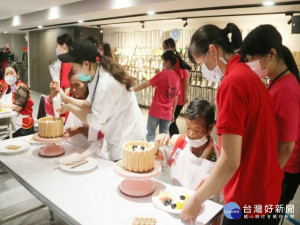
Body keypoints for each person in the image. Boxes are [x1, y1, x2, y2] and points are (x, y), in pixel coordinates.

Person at [180, 23, 283, 225]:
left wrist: (197, 199)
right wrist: (209, 184)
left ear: (213, 51)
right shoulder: (250, 77)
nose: (204, 71)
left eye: (203, 64)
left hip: (246, 199)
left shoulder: (232, 83)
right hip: (265, 192)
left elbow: (230, 160)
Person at [239, 24, 300, 220]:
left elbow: (286, 146)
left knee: (265, 218)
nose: (249, 65)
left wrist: (267, 179)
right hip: (274, 167)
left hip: (283, 171)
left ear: (270, 55)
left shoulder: (287, 90)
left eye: (251, 60)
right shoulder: (277, 80)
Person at [57, 39, 145, 161]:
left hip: (127, 142)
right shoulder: (97, 74)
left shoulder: (106, 84)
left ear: (86, 64)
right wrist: (65, 99)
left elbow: (95, 123)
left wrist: (69, 107)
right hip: (120, 136)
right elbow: (88, 103)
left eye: (75, 69)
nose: (75, 72)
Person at [155, 98, 219, 190]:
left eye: (197, 130)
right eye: (188, 127)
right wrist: (156, 146)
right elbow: (158, 161)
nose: (191, 134)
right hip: (176, 198)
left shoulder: (216, 156)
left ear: (210, 129)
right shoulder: (178, 141)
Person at [134, 50, 180, 142]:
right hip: (167, 113)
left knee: (150, 136)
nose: (163, 63)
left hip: (156, 110)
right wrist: (173, 113)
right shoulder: (177, 78)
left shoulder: (162, 74)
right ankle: (161, 155)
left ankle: (151, 155)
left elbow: (146, 84)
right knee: (163, 139)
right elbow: (176, 97)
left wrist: (133, 90)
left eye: (163, 61)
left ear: (168, 62)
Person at [162, 38, 191, 136]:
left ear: (173, 48)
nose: (164, 49)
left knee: (171, 121)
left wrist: (185, 95)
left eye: (166, 48)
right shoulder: (169, 61)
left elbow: (186, 77)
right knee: (170, 121)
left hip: (178, 98)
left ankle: (176, 142)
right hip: (172, 96)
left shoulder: (176, 61)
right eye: (163, 48)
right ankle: (175, 142)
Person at [0, 63, 34, 137]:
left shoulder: (21, 88)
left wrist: (2, 105)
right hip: (11, 122)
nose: (9, 75)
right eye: (7, 74)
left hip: (23, 126)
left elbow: (18, 107)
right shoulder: (6, 87)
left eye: (11, 73)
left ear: (17, 74)